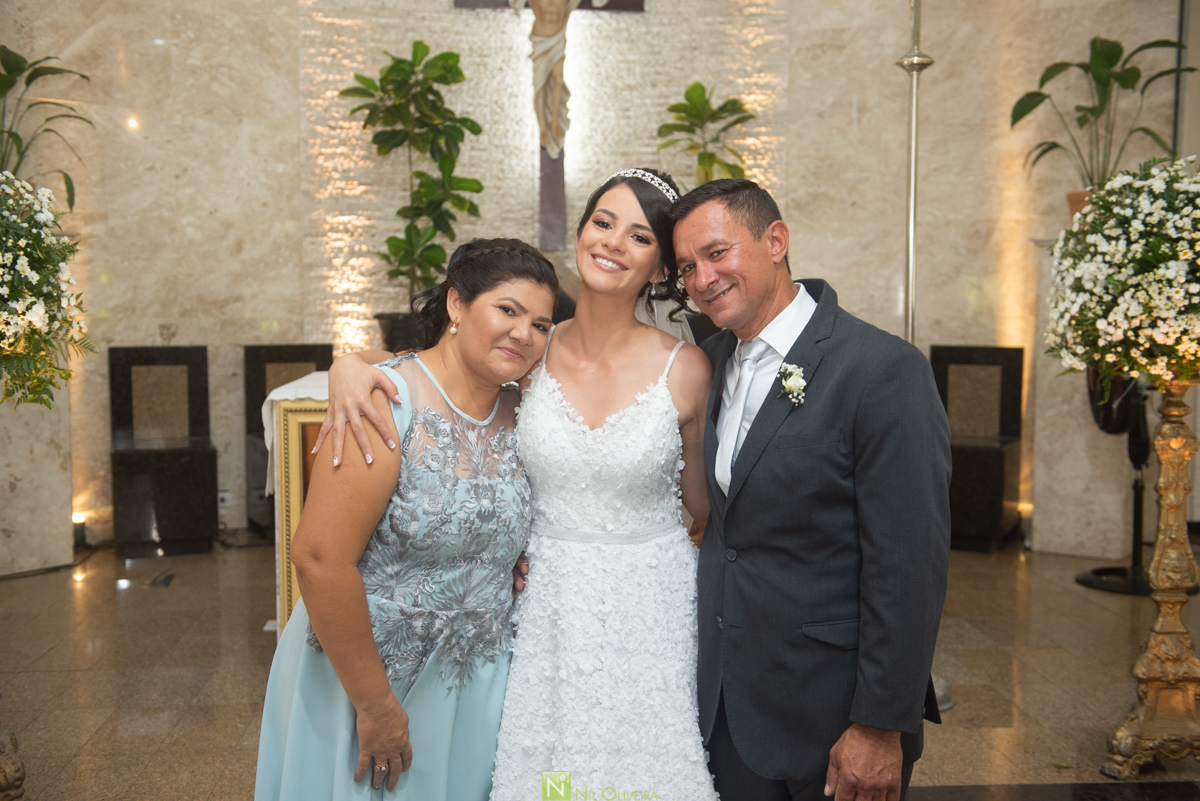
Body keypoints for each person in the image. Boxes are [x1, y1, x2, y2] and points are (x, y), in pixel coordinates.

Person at [316, 168, 719, 800]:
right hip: (547, 596)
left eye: (639, 236)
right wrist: (347, 365)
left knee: (646, 772)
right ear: (582, 232)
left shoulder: (687, 367)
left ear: (662, 268)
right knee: (551, 776)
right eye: (603, 223)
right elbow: (435, 372)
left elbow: (699, 502)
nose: (613, 242)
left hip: (651, 598)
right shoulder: (532, 349)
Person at [671, 178, 951, 801]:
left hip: (834, 716)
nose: (702, 278)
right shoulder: (705, 361)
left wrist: (879, 726)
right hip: (726, 705)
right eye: (688, 266)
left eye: (717, 253)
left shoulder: (881, 369)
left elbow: (909, 564)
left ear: (776, 241)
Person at [254, 238, 558, 801]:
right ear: (457, 305)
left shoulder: (526, 414)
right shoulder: (384, 402)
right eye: (508, 310)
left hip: (477, 682)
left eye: (541, 324)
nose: (524, 334)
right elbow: (319, 560)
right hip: (368, 677)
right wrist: (375, 707)